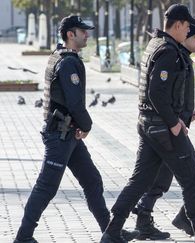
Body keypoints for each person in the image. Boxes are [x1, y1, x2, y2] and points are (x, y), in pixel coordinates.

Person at [100, 4, 195, 243]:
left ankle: (112, 231)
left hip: (150, 124)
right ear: (179, 24)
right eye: (187, 26)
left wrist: (182, 112)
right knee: (192, 180)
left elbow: (163, 90)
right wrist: (174, 122)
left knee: (140, 181)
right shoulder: (168, 50)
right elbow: (155, 91)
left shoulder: (156, 44)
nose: (188, 31)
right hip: (164, 129)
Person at [14, 15, 111, 243]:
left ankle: (111, 232)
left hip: (68, 135)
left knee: (92, 180)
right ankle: (23, 237)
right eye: (83, 31)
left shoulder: (61, 56)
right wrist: (86, 126)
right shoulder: (67, 62)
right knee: (46, 187)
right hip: (60, 136)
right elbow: (75, 103)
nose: (87, 34)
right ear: (70, 34)